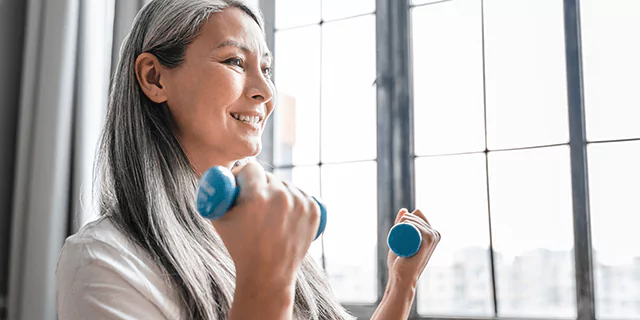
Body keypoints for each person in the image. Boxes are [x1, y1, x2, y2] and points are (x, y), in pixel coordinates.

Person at [55, 0, 441, 319]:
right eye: (235, 62)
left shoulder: (264, 232)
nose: (265, 90)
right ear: (155, 78)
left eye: (266, 69)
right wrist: (267, 279)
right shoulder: (102, 260)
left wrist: (401, 285)